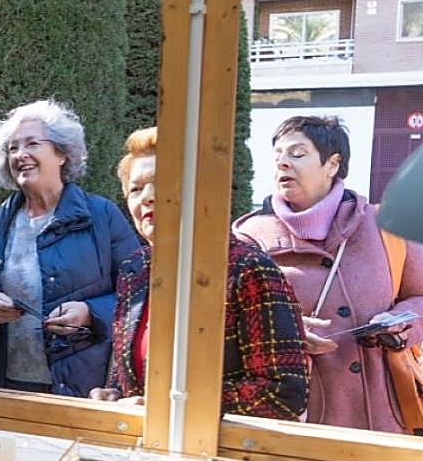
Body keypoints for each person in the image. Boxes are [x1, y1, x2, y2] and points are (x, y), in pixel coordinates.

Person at [89, 127, 309, 418]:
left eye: (163, 182)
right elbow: (129, 371)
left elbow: (284, 393)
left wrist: (169, 404)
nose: (148, 197)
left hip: (221, 455)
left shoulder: (248, 270)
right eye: (136, 189)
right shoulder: (135, 269)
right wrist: (113, 394)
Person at [233, 115, 423, 432]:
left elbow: (420, 296)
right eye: (277, 155)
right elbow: (227, 323)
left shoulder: (384, 226)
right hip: (295, 418)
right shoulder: (250, 238)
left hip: (384, 414)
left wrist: (401, 323)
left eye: (296, 154)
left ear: (332, 164)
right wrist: (283, 335)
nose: (282, 163)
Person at [0, 101, 136, 395]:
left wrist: (90, 312)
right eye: (12, 148)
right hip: (9, 384)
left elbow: (138, 296)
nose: (20, 155)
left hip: (84, 386)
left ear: (62, 153)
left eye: (32, 144)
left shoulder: (101, 216)